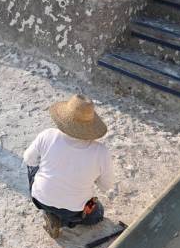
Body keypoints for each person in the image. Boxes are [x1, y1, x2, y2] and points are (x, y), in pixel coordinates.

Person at [23, 94, 114, 238]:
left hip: (40, 198)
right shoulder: (101, 152)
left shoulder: (47, 135)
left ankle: (52, 213)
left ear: (65, 117)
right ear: (91, 125)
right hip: (74, 210)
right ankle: (65, 220)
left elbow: (28, 159)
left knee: (33, 165)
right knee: (97, 214)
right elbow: (106, 186)